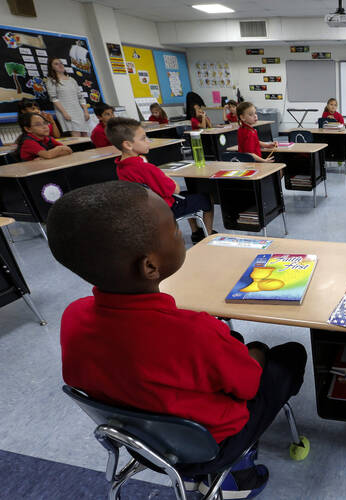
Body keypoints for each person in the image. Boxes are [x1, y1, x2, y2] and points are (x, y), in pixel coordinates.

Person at [47, 180, 307, 499]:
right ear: (150, 266)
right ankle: (239, 471)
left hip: (143, 443)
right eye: (173, 229)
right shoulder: (194, 331)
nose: (180, 233)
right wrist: (255, 354)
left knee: (233, 341)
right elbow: (249, 386)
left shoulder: (74, 315)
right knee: (287, 354)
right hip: (213, 445)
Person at [106, 117, 215, 243]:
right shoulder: (145, 167)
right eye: (143, 138)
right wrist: (166, 177)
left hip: (147, 210)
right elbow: (176, 189)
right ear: (128, 144)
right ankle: (209, 236)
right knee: (207, 198)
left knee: (189, 195)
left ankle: (196, 232)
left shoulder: (121, 166)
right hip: (166, 208)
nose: (148, 141)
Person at [45, 57, 90, 137]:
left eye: (61, 63)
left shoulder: (71, 80)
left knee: (85, 135)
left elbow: (80, 96)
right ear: (52, 67)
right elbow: (54, 98)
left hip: (78, 111)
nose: (60, 65)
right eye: (56, 64)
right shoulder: (51, 81)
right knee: (76, 136)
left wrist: (86, 111)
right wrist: (64, 113)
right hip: (66, 111)